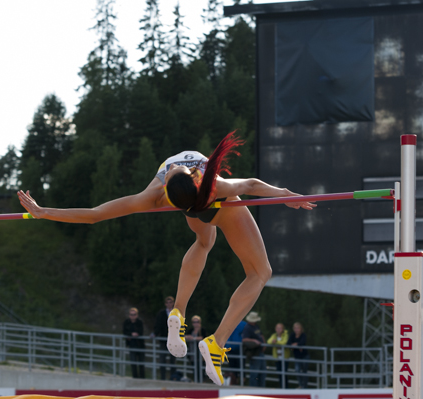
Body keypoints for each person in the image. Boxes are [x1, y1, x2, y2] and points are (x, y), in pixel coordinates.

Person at [17, 131, 314, 386]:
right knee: (260, 272)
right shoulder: (212, 185)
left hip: (194, 206)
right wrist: (286, 194)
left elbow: (96, 215)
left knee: (204, 240)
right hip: (213, 202)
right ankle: (216, 342)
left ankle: (179, 313)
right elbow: (249, 185)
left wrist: (46, 212)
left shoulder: (153, 195)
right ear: (193, 178)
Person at [153, 296, 177, 380]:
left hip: (174, 340)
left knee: (172, 360)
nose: (169, 304)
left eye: (170, 302)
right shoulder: (162, 313)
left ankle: (172, 377)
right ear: (165, 304)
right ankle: (163, 378)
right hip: (164, 339)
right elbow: (158, 324)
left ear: (173, 303)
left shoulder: (176, 312)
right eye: (167, 302)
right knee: (162, 359)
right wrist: (155, 333)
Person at [242, 311, 267, 387]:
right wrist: (254, 341)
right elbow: (244, 339)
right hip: (254, 352)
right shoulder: (247, 327)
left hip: (260, 351)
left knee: (263, 372)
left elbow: (261, 335)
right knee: (255, 373)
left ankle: (261, 388)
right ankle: (254, 388)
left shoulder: (256, 326)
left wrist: (264, 343)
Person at [122, 307, 145, 379]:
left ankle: (142, 378)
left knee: (141, 363)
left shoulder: (139, 322)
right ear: (129, 315)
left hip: (140, 345)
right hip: (131, 345)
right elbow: (124, 331)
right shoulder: (126, 322)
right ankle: (135, 378)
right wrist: (131, 334)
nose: (133, 316)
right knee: (133, 362)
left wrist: (135, 334)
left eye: (134, 314)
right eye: (131, 314)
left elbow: (141, 332)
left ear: (137, 315)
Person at [185, 315, 208, 381]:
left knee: (201, 367)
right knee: (194, 367)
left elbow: (204, 338)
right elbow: (185, 335)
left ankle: (202, 380)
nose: (195, 323)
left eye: (197, 322)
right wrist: (188, 337)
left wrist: (194, 338)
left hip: (200, 352)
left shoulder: (202, 330)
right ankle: (196, 380)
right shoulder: (191, 330)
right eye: (194, 322)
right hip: (192, 351)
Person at [267, 322, 289, 388]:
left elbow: (284, 342)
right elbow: (268, 341)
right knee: (279, 373)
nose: (278, 329)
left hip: (284, 357)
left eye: (280, 328)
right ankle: (281, 387)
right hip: (277, 357)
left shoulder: (285, 335)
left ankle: (285, 388)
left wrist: (276, 342)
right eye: (277, 328)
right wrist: (272, 341)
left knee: (284, 373)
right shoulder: (274, 335)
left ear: (282, 329)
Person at [287, 322, 309, 389]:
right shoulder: (292, 335)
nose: (296, 330)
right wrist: (296, 345)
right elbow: (288, 344)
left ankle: (304, 386)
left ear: (301, 329)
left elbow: (302, 343)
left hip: (304, 356)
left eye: (298, 328)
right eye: (295, 328)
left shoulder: (303, 335)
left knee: (304, 371)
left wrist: (294, 345)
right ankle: (301, 385)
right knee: (297, 370)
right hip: (297, 357)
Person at [226, 320, 246, 385]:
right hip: (232, 349)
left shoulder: (242, 324)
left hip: (237, 349)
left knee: (239, 368)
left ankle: (240, 384)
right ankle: (236, 383)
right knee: (235, 368)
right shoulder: (229, 323)